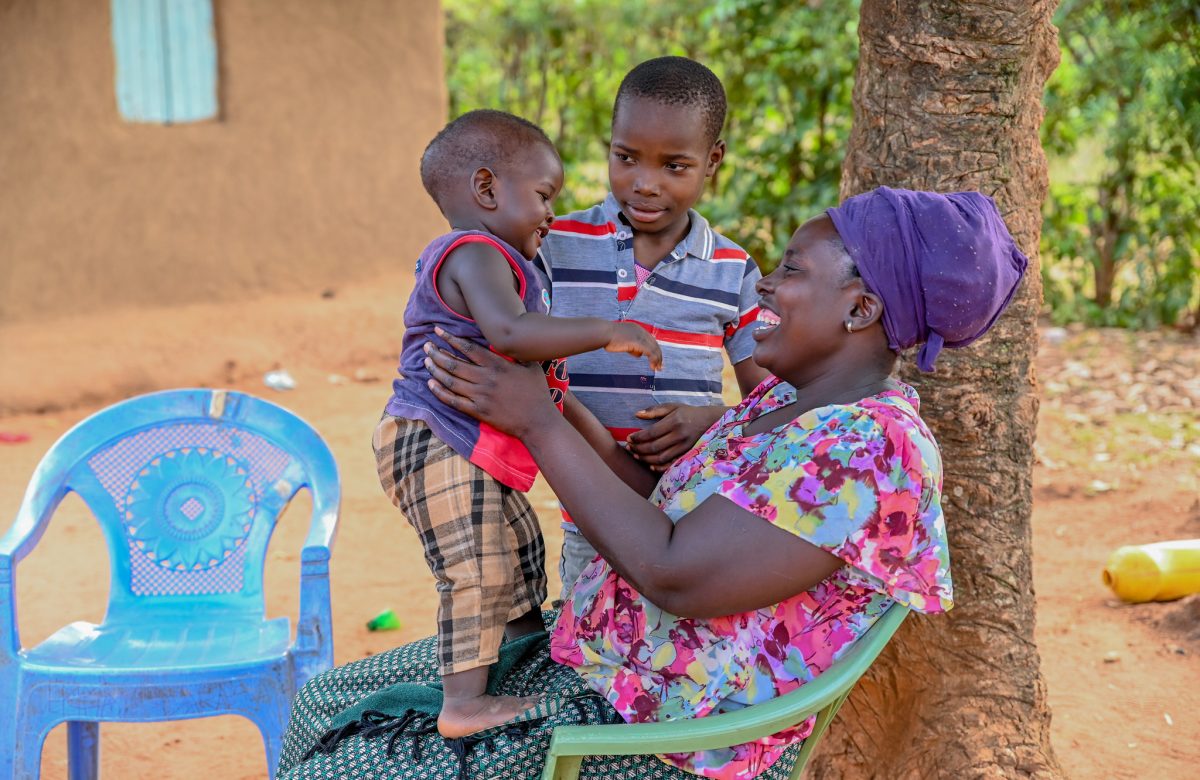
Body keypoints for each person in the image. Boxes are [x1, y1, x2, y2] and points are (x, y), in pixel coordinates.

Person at [279, 187, 1028, 780]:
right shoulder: (791, 400)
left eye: (793, 270)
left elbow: (674, 571)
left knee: (340, 763)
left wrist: (537, 423)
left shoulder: (872, 449)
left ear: (861, 309)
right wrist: (558, 400)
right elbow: (656, 506)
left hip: (666, 736)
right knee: (322, 701)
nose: (764, 282)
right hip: (605, 667)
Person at [377, 109, 662, 740]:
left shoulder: (504, 263)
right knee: (478, 566)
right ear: (486, 190)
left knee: (521, 550)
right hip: (433, 439)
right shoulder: (476, 253)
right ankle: (464, 704)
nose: (549, 214)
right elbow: (511, 335)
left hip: (459, 443)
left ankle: (524, 658)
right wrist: (606, 331)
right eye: (542, 196)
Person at [537, 56, 770, 598]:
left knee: (674, 641)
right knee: (588, 645)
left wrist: (711, 419)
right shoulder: (555, 245)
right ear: (609, 147)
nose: (644, 184)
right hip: (590, 514)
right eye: (627, 158)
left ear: (712, 161)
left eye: (674, 166)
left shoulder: (733, 270)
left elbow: (771, 402)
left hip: (691, 516)